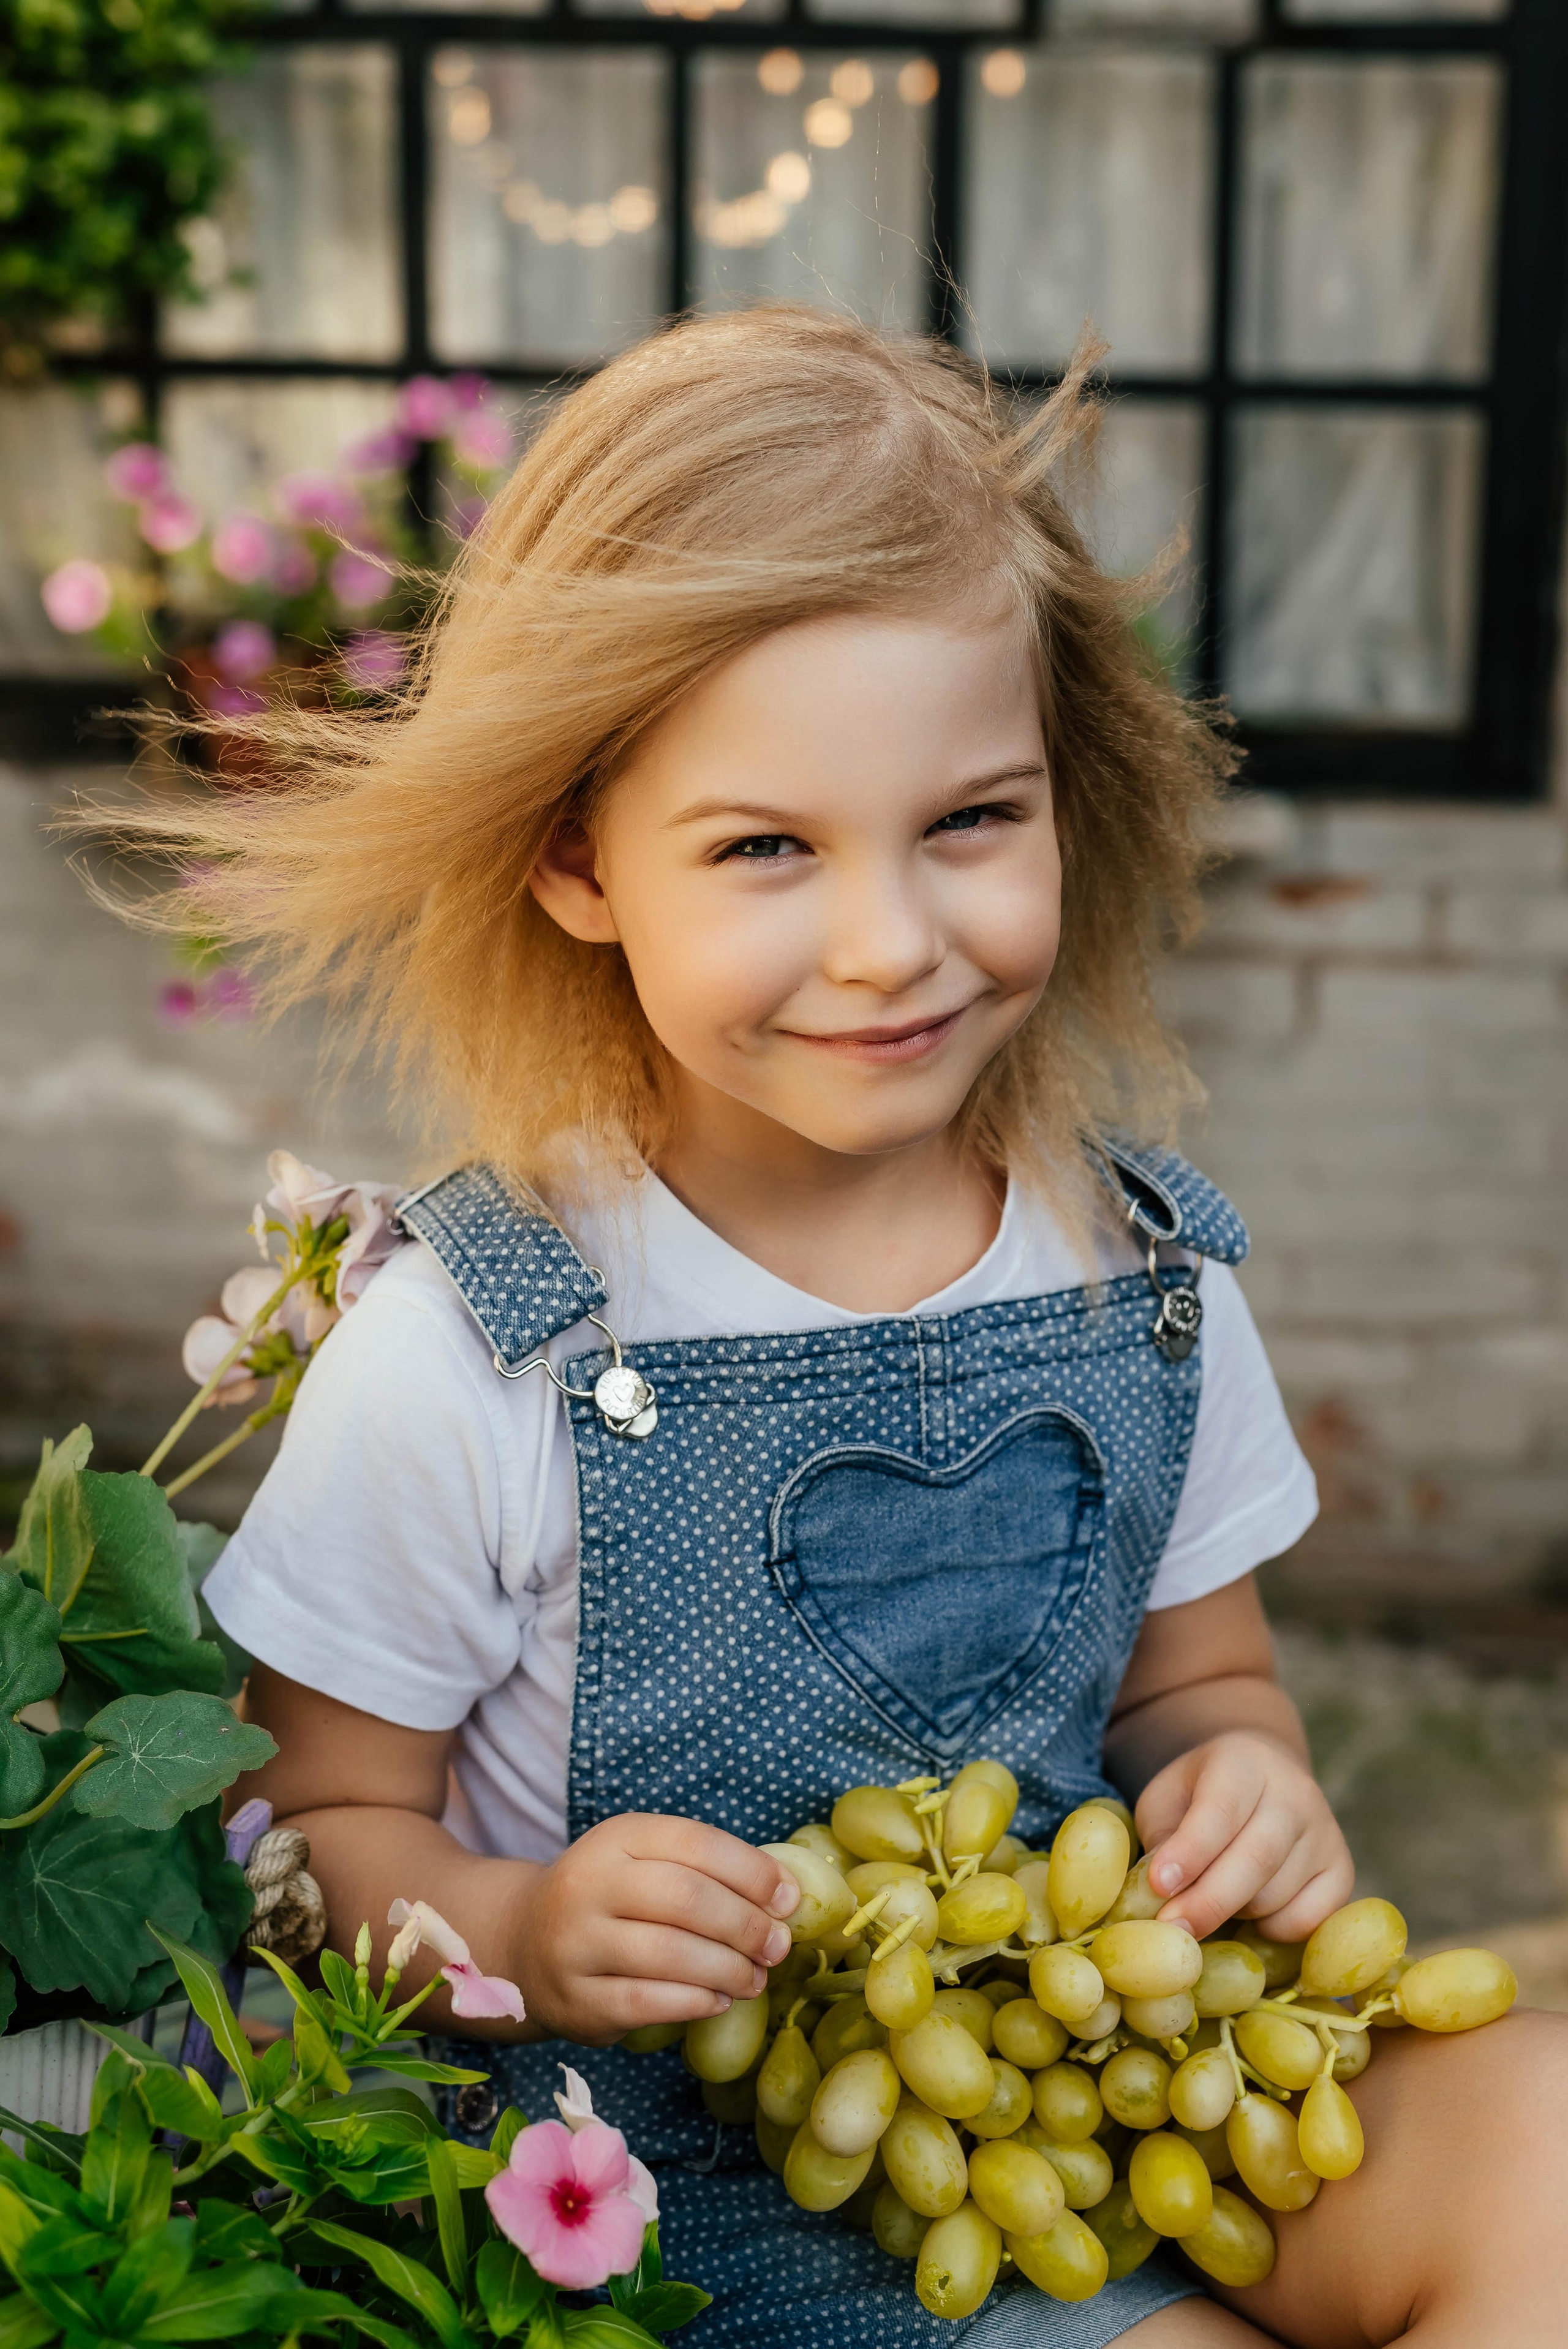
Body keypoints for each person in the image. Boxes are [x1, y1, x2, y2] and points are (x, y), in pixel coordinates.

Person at [164, 309, 1562, 2346]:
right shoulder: (478, 1353)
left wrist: (1248, 1777)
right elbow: (301, 1841)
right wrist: (522, 1922)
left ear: (1066, 793)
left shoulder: (1143, 1283)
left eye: (971, 819)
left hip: (1100, 2073)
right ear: (578, 856)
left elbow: (1203, 1684)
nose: (891, 940)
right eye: (766, 848)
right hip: (689, 2182)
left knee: (1543, 2134)